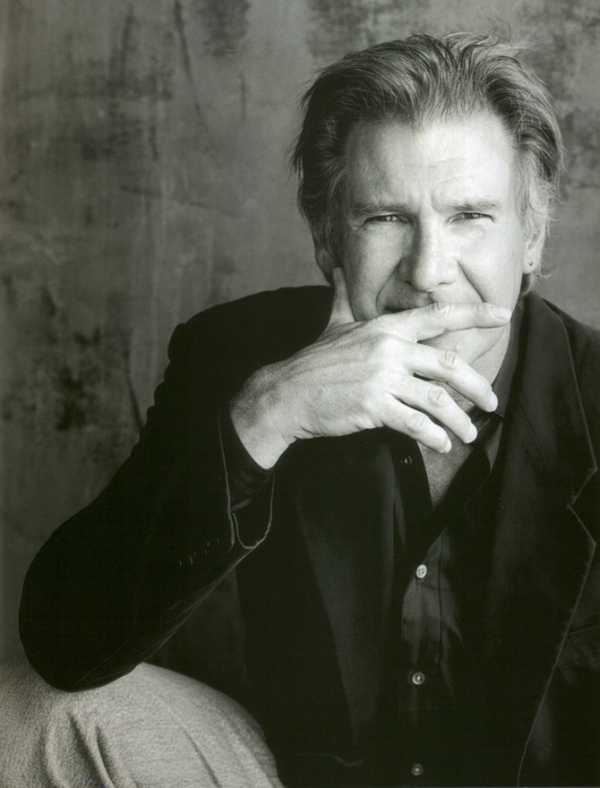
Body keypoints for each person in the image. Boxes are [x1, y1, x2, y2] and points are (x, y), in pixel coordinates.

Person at [2, 31, 599, 788]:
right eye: (385, 218)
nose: (427, 272)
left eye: (470, 217)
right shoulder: (238, 355)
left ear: (532, 236)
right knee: (31, 712)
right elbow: (66, 646)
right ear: (327, 239)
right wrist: (265, 415)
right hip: (293, 778)